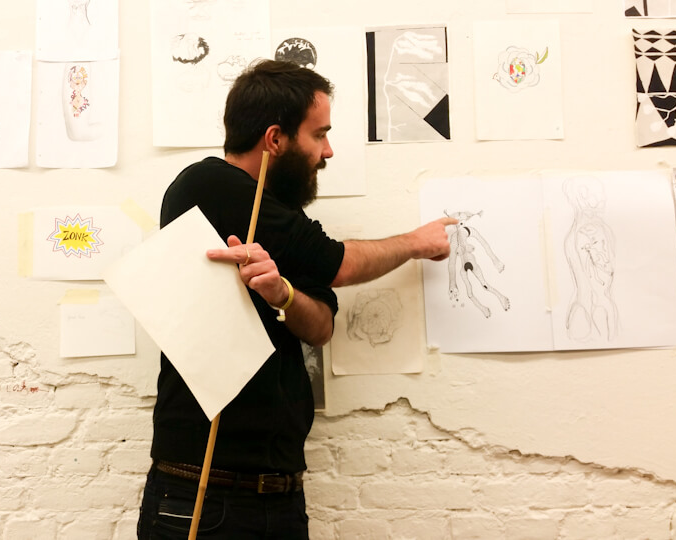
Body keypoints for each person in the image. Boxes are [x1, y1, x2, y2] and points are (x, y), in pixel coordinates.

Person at [138, 59, 455, 539]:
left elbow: (321, 326)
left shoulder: (282, 218)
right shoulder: (209, 186)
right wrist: (415, 242)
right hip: (200, 491)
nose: (328, 151)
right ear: (275, 139)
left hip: (280, 493)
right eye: (319, 134)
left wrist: (283, 292)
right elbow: (337, 264)